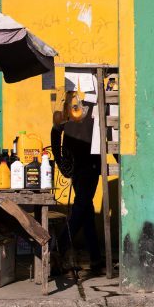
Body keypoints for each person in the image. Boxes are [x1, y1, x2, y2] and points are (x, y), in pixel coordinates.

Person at [51, 98, 103, 274]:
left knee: (82, 208)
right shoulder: (68, 104)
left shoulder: (97, 104)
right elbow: (55, 131)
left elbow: (109, 133)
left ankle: (59, 250)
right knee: (84, 209)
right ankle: (59, 251)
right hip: (76, 166)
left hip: (90, 166)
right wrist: (59, 160)